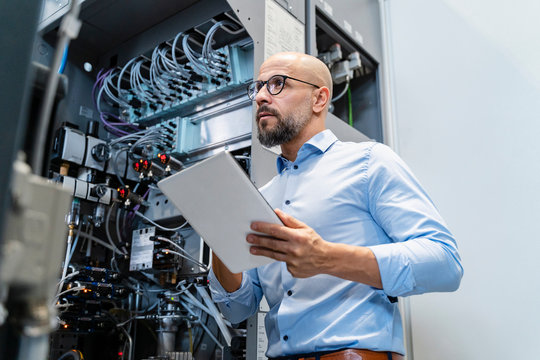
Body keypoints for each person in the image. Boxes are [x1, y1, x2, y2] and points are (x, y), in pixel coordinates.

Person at [208, 52, 463, 360]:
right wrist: (218, 235)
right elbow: (238, 308)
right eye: (259, 86)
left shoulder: (370, 162)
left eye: (277, 84)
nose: (261, 96)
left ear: (319, 99)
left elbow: (445, 263)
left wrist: (327, 257)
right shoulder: (263, 198)